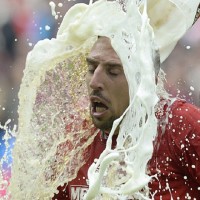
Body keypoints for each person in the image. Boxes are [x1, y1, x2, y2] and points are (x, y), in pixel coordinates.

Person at [53, 36, 200, 199]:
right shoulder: (74, 138)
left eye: (113, 72)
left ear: (147, 82)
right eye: (92, 68)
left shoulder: (183, 126)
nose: (94, 82)